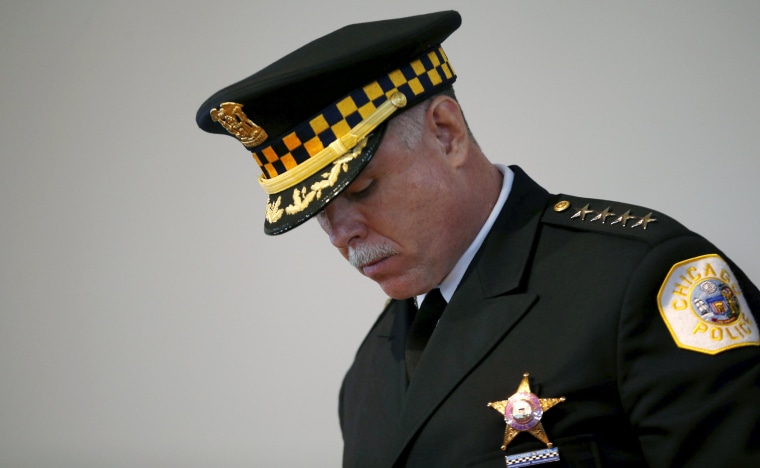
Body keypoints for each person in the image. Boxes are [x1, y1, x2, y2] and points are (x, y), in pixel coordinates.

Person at [197, 10, 760, 467]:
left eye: (364, 189)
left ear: (447, 133)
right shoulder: (371, 371)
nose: (343, 235)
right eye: (320, 213)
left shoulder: (644, 282)